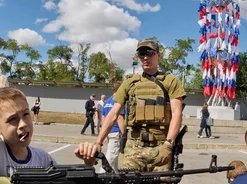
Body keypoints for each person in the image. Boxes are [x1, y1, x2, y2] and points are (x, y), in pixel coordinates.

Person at [75, 38, 186, 172]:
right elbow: (113, 114)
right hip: (133, 147)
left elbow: (176, 114)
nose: (145, 57)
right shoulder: (130, 82)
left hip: (160, 146)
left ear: (158, 55)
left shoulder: (171, 81)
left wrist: (168, 145)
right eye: (141, 54)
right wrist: (98, 142)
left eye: (150, 53)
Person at [100, 82, 125, 172]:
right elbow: (119, 117)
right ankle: (101, 176)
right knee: (111, 157)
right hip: (115, 131)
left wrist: (103, 134)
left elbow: (103, 118)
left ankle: (115, 177)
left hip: (108, 132)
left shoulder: (107, 101)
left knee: (113, 159)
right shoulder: (118, 101)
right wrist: (124, 133)